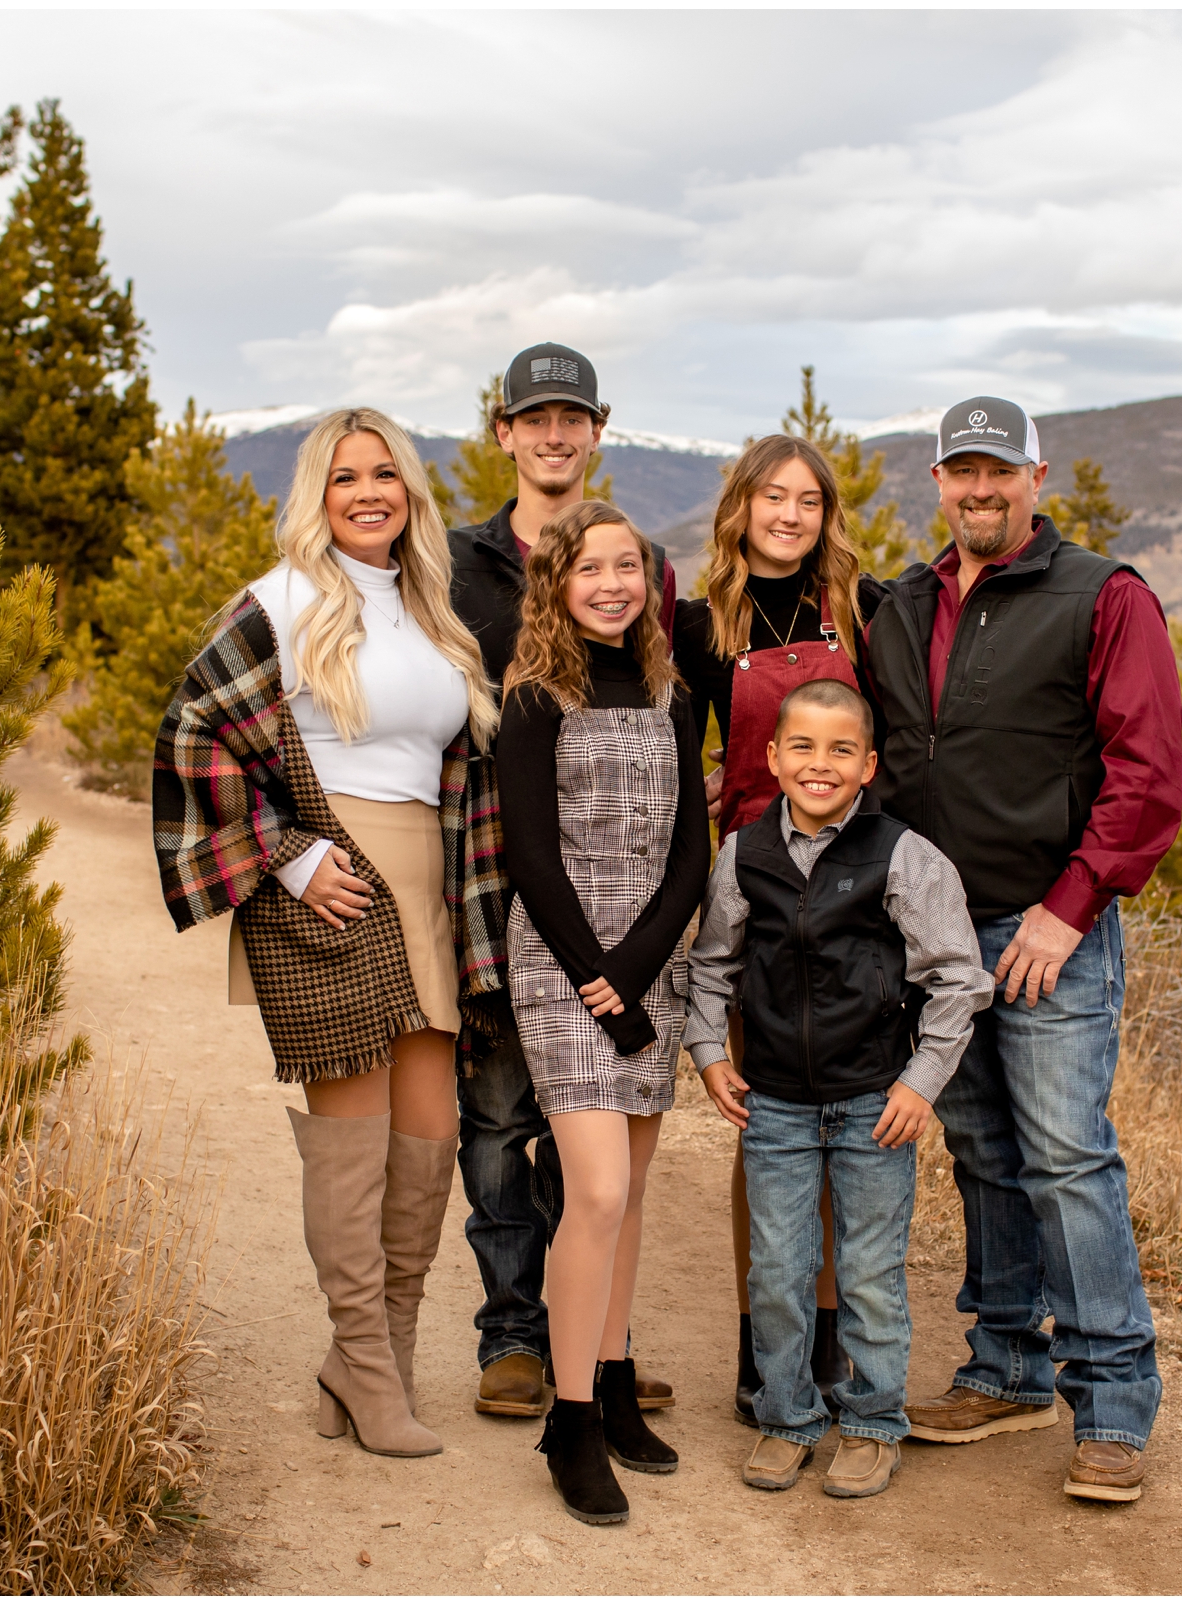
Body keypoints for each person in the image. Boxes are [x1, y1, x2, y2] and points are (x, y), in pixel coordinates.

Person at [154, 407, 505, 1459]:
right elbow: (192, 729)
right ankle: (360, 1350)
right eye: (346, 476)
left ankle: (375, 1362)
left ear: (411, 491)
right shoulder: (282, 601)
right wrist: (291, 856)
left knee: (428, 1134)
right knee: (352, 1140)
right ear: (318, 491)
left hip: (423, 886)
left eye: (386, 474)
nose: (368, 492)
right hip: (327, 881)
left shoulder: (434, 611)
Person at [861, 395, 1182, 1503]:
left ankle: (1114, 1405)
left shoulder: (1104, 595)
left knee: (1065, 1158)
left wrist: (1072, 904)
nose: (981, 489)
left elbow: (1146, 774)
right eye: (962, 470)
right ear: (938, 481)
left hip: (1047, 929)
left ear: (1039, 477)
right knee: (985, 1152)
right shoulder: (898, 606)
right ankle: (1004, 1364)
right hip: (934, 938)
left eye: (1001, 469)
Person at [687, 678, 991, 1500]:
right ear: (775, 758)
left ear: (868, 766)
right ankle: (787, 1419)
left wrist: (921, 1083)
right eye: (804, 747)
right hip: (776, 1101)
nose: (821, 764)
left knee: (867, 1271)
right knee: (779, 1271)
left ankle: (871, 1422)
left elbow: (959, 979)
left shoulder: (903, 855)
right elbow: (712, 963)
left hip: (874, 1103)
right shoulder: (743, 853)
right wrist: (710, 1051)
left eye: (841, 750)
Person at [447, 343, 678, 1419]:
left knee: (607, 1157)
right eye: (532, 417)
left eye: (571, 417)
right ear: (505, 431)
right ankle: (514, 1336)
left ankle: (591, 1347)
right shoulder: (453, 566)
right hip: (503, 877)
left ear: (597, 428)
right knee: (498, 1112)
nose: (552, 434)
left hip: (634, 907)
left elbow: (683, 705)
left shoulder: (644, 571)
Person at [496, 501, 708, 1524]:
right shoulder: (536, 696)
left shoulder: (673, 692)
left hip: (652, 961)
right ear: (558, 584)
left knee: (633, 1187)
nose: (613, 583)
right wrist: (597, 977)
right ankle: (568, 1419)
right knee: (598, 1190)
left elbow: (692, 853)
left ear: (650, 581)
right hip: (562, 961)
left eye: (628, 566)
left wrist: (639, 970)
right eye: (591, 569)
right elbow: (531, 857)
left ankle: (616, 1382)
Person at [671, 433, 884, 1425]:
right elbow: (674, 753)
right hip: (755, 889)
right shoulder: (698, 622)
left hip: (856, 892)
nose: (791, 514)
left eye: (808, 499)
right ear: (742, 506)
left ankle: (834, 1343)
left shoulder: (864, 610)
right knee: (769, 1130)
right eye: (773, 496)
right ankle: (768, 1349)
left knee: (847, 1121)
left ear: (826, 512)